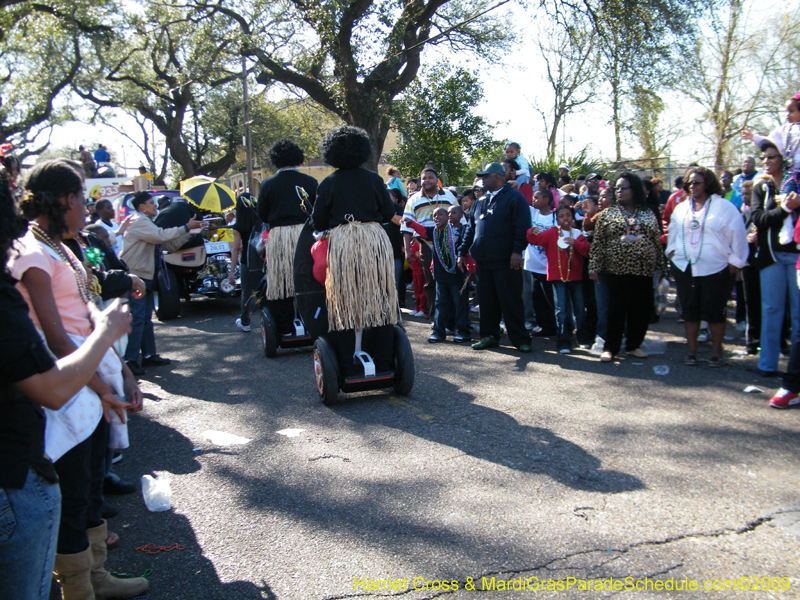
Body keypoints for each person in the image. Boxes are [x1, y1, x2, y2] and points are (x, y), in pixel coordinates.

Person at [8, 158, 147, 599]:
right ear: (65, 199)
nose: (87, 208)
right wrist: (100, 386)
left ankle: (97, 578)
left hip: (88, 379)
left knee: (87, 487)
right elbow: (55, 335)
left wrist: (123, 371)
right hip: (66, 387)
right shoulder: (32, 252)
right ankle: (78, 590)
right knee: (71, 493)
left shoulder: (62, 247)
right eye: (82, 198)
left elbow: (88, 311)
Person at [311, 125, 402, 375]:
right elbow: (388, 213)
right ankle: (384, 363)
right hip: (374, 242)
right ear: (362, 151)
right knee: (380, 302)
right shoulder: (373, 178)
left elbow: (318, 222)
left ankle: (347, 365)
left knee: (345, 304)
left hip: (343, 245)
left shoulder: (328, 183)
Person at [666, 167, 748, 366]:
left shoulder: (724, 207)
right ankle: (691, 351)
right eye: (689, 184)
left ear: (708, 184)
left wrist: (735, 263)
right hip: (685, 267)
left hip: (717, 268)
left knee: (714, 311)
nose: (692, 187)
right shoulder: (682, 208)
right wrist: (672, 254)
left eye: (697, 183)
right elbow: (674, 233)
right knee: (690, 310)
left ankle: (717, 352)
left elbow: (737, 235)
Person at [121, 192, 203, 375]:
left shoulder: (145, 221)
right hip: (137, 275)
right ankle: (131, 360)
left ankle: (148, 355)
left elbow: (168, 245)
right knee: (138, 319)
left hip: (144, 275)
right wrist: (185, 227)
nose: (156, 206)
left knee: (145, 319)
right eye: (151, 203)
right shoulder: (139, 221)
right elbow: (161, 236)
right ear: (142, 207)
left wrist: (190, 232)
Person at [589, 172, 663, 362]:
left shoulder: (647, 213)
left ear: (635, 190)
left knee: (640, 309)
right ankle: (611, 348)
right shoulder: (608, 213)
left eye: (624, 187)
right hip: (616, 270)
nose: (620, 191)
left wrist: (661, 268)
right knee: (615, 310)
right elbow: (598, 242)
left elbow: (656, 240)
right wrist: (594, 266)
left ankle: (634, 345)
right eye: (617, 188)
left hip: (643, 269)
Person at [458, 162, 532, 352]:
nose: (482, 180)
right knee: (487, 301)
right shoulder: (481, 202)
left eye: (486, 176)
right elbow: (470, 230)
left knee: (510, 300)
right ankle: (489, 335)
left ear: (497, 177)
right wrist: (462, 252)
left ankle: (520, 338)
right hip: (484, 260)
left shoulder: (515, 198)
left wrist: (517, 251)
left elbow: (523, 227)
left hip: (507, 261)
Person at [257, 139, 318, 336]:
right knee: (307, 281)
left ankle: (284, 327)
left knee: (281, 283)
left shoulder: (268, 183)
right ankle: (311, 323)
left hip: (280, 237)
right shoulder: (310, 182)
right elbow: (317, 212)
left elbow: (262, 215)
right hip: (305, 235)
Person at [750, 139, 800, 377]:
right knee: (772, 310)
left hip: (797, 257)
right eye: (763, 158)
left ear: (784, 159)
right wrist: (786, 209)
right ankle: (767, 364)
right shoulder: (762, 187)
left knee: (798, 313)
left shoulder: (797, 183)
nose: (766, 162)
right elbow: (758, 218)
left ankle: (795, 370)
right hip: (771, 257)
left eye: (771, 157)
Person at [527, 205, 590, 354]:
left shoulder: (577, 233)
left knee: (579, 308)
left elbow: (587, 251)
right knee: (561, 310)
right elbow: (535, 241)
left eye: (568, 215)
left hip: (575, 277)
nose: (565, 218)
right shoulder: (551, 233)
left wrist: (576, 243)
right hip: (558, 277)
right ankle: (563, 341)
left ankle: (582, 337)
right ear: (557, 219)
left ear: (572, 217)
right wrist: (531, 232)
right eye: (561, 216)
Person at [404, 207, 471, 343]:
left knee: (460, 304)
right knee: (440, 304)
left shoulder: (461, 232)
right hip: (441, 276)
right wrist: (411, 222)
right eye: (434, 215)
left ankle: (462, 332)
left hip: (457, 275)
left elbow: (467, 251)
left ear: (447, 217)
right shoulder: (434, 232)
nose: (436, 217)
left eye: (440, 214)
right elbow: (422, 230)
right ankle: (438, 332)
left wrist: (471, 269)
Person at [401, 168, 457, 317]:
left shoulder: (449, 196)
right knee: (430, 281)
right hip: (425, 245)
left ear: (437, 179)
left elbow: (460, 221)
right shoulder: (413, 199)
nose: (427, 180)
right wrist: (407, 250)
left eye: (430, 177)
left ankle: (451, 317)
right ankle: (435, 316)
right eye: (424, 178)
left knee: (450, 281)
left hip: (448, 244)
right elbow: (405, 227)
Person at [523, 189, 559, 337]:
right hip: (533, 265)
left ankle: (555, 325)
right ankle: (544, 326)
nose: (533, 199)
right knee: (537, 296)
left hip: (548, 265)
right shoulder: (532, 213)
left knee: (550, 297)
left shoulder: (555, 217)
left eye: (537, 197)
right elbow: (521, 200)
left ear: (546, 200)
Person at [229, 193, 261, 332]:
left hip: (246, 261)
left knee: (246, 292)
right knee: (264, 291)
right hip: (262, 259)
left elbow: (236, 249)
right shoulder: (260, 221)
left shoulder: (238, 226)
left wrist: (231, 272)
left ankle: (245, 321)